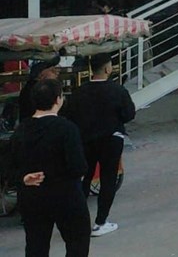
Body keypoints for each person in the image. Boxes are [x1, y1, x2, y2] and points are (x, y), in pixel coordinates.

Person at [11, 78, 92, 257]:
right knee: (77, 240)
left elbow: (11, 164)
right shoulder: (67, 128)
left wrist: (24, 178)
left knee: (36, 245)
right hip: (66, 194)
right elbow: (78, 166)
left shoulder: (21, 130)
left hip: (32, 195)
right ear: (58, 99)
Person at [61, 53, 135, 238]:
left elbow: (69, 116)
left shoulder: (79, 92)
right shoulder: (117, 90)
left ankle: (77, 222)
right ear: (108, 69)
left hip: (86, 140)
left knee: (84, 179)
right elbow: (129, 114)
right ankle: (100, 222)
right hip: (111, 139)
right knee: (108, 179)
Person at [18, 56, 62, 121]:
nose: (56, 73)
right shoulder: (36, 91)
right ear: (40, 74)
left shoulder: (29, 88)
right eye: (52, 70)